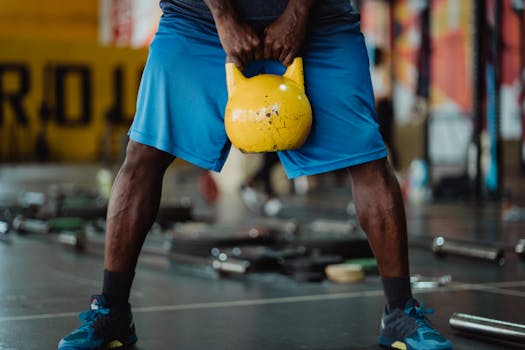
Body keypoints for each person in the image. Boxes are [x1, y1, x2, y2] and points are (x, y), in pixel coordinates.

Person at [58, 1, 452, 349]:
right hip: (198, 22)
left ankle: (400, 313)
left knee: (369, 159)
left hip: (321, 21)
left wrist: (298, 11)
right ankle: (111, 311)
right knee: (144, 153)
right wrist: (224, 15)